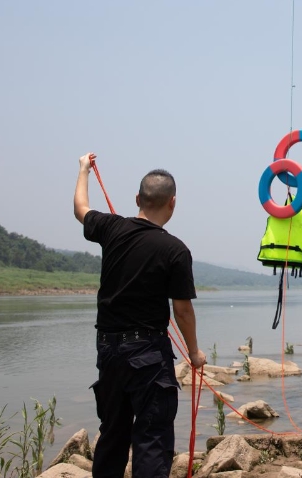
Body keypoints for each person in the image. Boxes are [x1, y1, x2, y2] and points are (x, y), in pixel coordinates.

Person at [74, 153, 207, 478]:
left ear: (137, 198)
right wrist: (194, 352)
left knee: (113, 435)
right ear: (172, 204)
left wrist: (83, 170)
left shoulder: (111, 228)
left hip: (108, 352)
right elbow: (182, 309)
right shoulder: (175, 250)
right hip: (148, 356)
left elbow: (80, 209)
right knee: (152, 440)